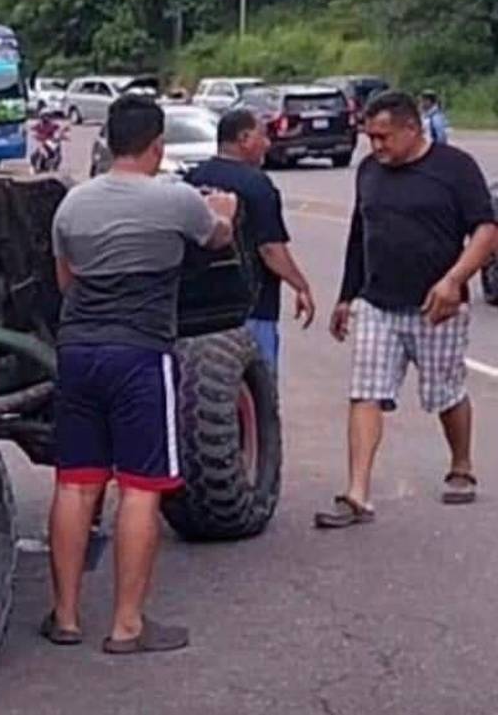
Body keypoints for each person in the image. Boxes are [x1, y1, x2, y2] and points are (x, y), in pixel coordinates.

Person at [43, 94, 237, 652]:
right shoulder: (175, 200)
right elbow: (216, 238)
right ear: (157, 146)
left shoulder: (72, 205)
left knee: (76, 483)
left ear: (107, 140)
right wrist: (225, 210)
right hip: (140, 355)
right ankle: (128, 624)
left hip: (77, 352)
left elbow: (65, 282)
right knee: (140, 487)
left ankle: (66, 616)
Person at [316, 91, 497, 528]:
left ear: (412, 130)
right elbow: (361, 234)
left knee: (445, 392)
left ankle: (461, 465)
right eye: (370, 138)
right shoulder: (369, 172)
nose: (376, 147)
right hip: (378, 302)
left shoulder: (455, 168)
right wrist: (346, 295)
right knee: (365, 391)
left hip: (436, 306)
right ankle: (358, 493)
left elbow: (487, 231)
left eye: (384, 137)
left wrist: (455, 280)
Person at [187, 109, 315, 377]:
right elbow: (270, 249)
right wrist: (300, 286)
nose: (267, 144)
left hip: (200, 310)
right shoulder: (257, 185)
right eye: (263, 136)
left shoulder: (193, 179)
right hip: (253, 307)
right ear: (244, 138)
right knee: (258, 389)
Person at [30, 109, 66, 174]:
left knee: (57, 155)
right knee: (35, 154)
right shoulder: (38, 125)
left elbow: (59, 132)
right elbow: (33, 132)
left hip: (50, 143)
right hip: (43, 143)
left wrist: (58, 135)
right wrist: (38, 138)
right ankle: (34, 167)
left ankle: (54, 167)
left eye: (48, 116)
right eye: (45, 116)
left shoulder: (53, 125)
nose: (47, 118)